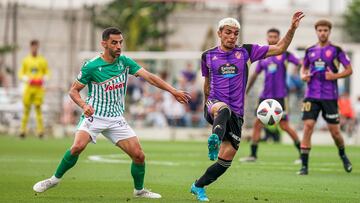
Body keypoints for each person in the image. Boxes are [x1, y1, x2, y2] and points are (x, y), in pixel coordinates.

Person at [32, 27, 190, 198]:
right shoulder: (91, 66)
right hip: (94, 115)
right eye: (114, 43)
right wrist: (84, 105)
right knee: (77, 147)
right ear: (104, 43)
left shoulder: (125, 62)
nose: (118, 46)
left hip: (115, 118)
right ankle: (54, 180)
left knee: (139, 155)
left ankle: (139, 190)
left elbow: (149, 77)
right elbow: (73, 91)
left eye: (120, 42)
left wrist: (173, 91)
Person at [190, 12, 304, 201]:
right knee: (223, 109)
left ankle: (198, 186)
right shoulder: (207, 56)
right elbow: (207, 84)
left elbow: (281, 47)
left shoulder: (246, 52)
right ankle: (214, 140)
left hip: (237, 113)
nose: (232, 36)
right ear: (220, 33)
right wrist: (206, 106)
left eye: (236, 33)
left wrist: (292, 28)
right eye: (228, 32)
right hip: (215, 106)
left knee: (225, 161)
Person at [298, 19, 353, 175]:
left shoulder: (336, 50)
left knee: (334, 132)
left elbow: (349, 70)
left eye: (325, 30)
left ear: (329, 31)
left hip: (330, 96)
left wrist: (335, 75)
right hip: (311, 95)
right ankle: (304, 166)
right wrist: (304, 76)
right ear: (316, 31)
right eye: (320, 30)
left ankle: (343, 155)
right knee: (308, 127)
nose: (322, 33)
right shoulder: (310, 50)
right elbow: (304, 68)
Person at [240, 28, 301, 163]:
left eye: (275, 37)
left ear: (279, 38)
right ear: (267, 38)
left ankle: (302, 153)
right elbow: (255, 75)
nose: (272, 39)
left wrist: (302, 72)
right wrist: (245, 90)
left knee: (284, 126)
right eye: (270, 37)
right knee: (257, 124)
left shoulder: (285, 54)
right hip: (265, 97)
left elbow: (300, 63)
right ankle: (253, 155)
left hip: (280, 97)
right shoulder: (263, 56)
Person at [18, 40, 50, 138]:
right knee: (26, 110)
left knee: (38, 109)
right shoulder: (26, 60)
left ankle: (40, 131)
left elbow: (47, 72)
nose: (34, 48)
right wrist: (27, 79)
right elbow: (20, 73)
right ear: (30, 47)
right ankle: (22, 131)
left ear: (38, 47)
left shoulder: (42, 60)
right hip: (28, 88)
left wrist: (43, 79)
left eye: (36, 47)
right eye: (33, 47)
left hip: (39, 89)